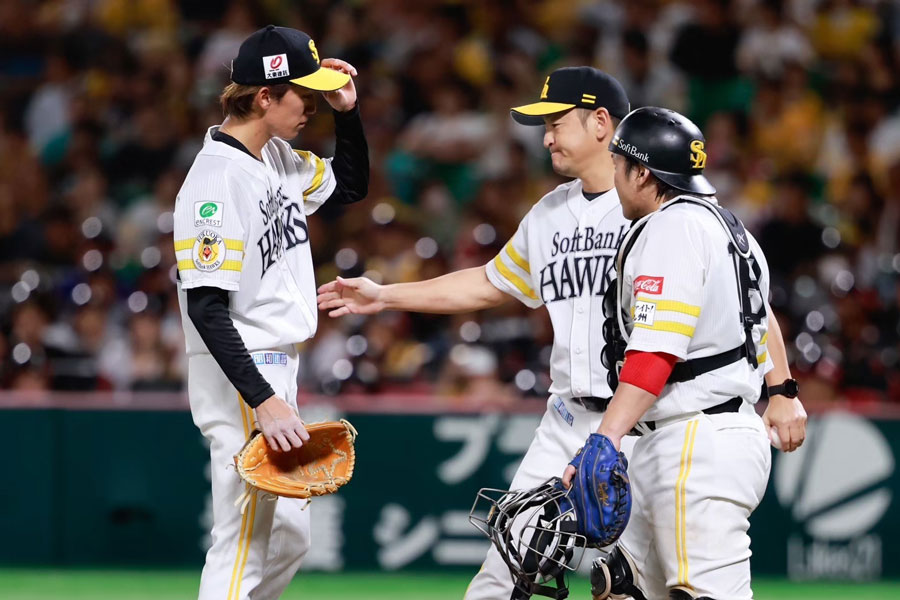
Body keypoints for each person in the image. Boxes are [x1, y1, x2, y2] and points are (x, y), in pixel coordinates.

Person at [319, 66, 635, 599]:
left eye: (557, 122)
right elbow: (489, 283)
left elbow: (739, 290)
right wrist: (386, 294)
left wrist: (779, 388)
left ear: (601, 123)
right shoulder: (550, 213)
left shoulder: (657, 206)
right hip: (566, 417)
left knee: (650, 584)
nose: (547, 136)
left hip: (644, 422)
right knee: (501, 573)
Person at [563, 107, 807, 600]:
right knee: (620, 587)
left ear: (643, 172)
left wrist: (603, 440)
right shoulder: (730, 227)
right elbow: (760, 318)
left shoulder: (671, 230)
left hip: (695, 438)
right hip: (691, 435)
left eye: (618, 164)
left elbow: (655, 353)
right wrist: (781, 389)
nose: (613, 174)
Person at [173, 25, 368, 600]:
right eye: (302, 95)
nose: (312, 107)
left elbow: (350, 187)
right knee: (244, 538)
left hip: (275, 365)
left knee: (290, 537)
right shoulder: (214, 180)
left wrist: (348, 114)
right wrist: (264, 398)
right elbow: (206, 309)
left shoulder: (277, 158)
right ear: (264, 96)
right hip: (242, 368)